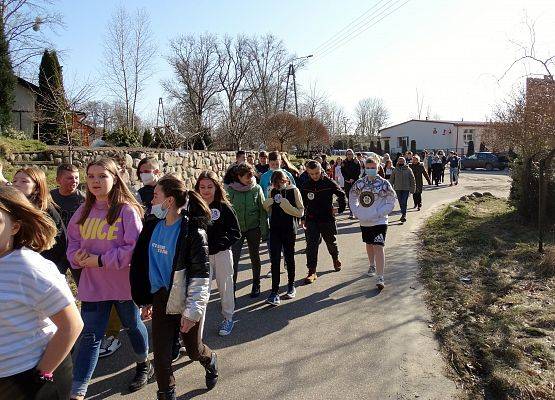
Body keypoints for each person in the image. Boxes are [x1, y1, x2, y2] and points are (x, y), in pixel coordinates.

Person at [66, 158, 151, 399]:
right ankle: (78, 390)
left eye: (102, 176)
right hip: (93, 286)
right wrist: (77, 257)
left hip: (123, 285)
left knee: (133, 326)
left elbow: (134, 248)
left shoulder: (126, 210)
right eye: (91, 176)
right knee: (90, 334)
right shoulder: (82, 211)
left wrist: (101, 260)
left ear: (115, 179)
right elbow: (72, 242)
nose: (95, 181)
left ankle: (143, 364)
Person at [130, 175, 218, 400]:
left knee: (193, 350)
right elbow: (142, 265)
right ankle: (166, 393)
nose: (151, 201)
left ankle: (210, 360)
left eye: (156, 196)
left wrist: (191, 313)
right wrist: (146, 299)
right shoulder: (152, 226)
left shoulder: (193, 233)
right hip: (160, 299)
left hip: (185, 299)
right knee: (161, 356)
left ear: (169, 201)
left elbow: (201, 277)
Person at [0, 186, 83, 400]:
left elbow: (72, 325)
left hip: (29, 376)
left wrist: (40, 375)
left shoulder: (29, 268)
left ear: (15, 227)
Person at [195, 171, 241, 336]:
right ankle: (195, 334)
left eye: (209, 186)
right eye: (202, 187)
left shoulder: (224, 207)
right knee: (200, 293)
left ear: (216, 187)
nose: (206, 190)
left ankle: (228, 319)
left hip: (222, 254)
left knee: (225, 287)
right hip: (201, 256)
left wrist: (221, 244)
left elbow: (236, 232)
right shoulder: (194, 207)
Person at [348, 156, 396, 290]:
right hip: (365, 220)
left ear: (378, 167)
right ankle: (372, 265)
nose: (370, 170)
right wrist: (357, 211)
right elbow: (352, 197)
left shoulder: (384, 184)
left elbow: (391, 200)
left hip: (379, 220)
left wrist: (381, 212)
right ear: (364, 168)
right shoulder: (359, 183)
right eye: (368, 168)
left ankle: (380, 277)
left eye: (373, 168)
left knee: (378, 246)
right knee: (369, 244)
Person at [12, 167, 67, 274]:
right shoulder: (15, 206)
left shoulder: (44, 210)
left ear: (36, 187)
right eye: (14, 180)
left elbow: (54, 244)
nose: (17, 184)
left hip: (43, 267)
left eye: (24, 181)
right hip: (20, 265)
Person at [300, 160, 346, 284]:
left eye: (317, 173)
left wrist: (340, 209)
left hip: (327, 218)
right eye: (312, 174)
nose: (315, 176)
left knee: (331, 241)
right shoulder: (305, 185)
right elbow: (302, 203)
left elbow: (341, 195)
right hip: (312, 219)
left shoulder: (329, 182)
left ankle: (335, 258)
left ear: (321, 170)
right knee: (311, 245)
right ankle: (312, 271)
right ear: (308, 172)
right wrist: (302, 218)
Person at [263, 170, 304, 305]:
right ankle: (274, 291)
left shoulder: (294, 191)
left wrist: (287, 207)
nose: (278, 185)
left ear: (286, 180)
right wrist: (267, 203)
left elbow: (300, 212)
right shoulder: (273, 191)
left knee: (289, 257)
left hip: (289, 230)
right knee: (275, 260)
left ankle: (291, 286)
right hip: (274, 230)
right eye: (275, 183)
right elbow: (268, 209)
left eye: (281, 182)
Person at [227, 163, 268, 297]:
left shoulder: (256, 189)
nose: (250, 179)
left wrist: (264, 230)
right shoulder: (231, 191)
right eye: (246, 177)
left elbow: (262, 211)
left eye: (251, 176)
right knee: (233, 259)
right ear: (239, 177)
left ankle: (256, 284)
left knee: (254, 257)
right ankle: (230, 288)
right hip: (236, 230)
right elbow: (227, 212)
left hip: (253, 229)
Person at [50, 163, 85, 284]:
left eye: (76, 177)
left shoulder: (84, 200)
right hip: (56, 248)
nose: (74, 181)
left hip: (77, 249)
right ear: (58, 180)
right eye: (70, 178)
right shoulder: (49, 198)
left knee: (83, 284)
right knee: (53, 283)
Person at [389, 157, 416, 223]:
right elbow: (392, 179)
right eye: (400, 161)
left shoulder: (408, 169)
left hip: (406, 188)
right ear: (398, 162)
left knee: (404, 201)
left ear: (404, 162)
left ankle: (403, 215)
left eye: (402, 161)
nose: (401, 162)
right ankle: (403, 213)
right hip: (397, 188)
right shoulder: (395, 170)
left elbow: (412, 179)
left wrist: (413, 188)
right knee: (401, 202)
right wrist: (390, 188)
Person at [341, 149, 361, 219]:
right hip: (347, 182)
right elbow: (343, 172)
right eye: (348, 154)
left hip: (355, 181)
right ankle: (351, 212)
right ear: (346, 155)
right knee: (349, 197)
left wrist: (353, 178)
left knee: (356, 196)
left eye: (351, 154)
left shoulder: (356, 162)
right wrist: (347, 179)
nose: (349, 155)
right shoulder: (344, 162)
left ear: (353, 154)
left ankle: (357, 211)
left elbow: (358, 171)